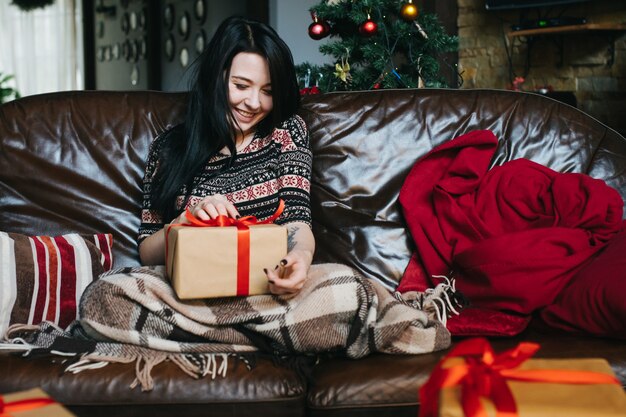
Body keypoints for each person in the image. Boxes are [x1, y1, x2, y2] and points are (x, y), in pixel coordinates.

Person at [138, 16, 314, 295]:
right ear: (215, 78)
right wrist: (186, 219)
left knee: (350, 288)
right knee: (110, 291)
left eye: (267, 91)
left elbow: (297, 221)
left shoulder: (286, 132)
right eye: (241, 86)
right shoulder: (168, 148)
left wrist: (301, 259)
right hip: (189, 293)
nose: (254, 103)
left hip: (267, 291)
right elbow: (147, 253)